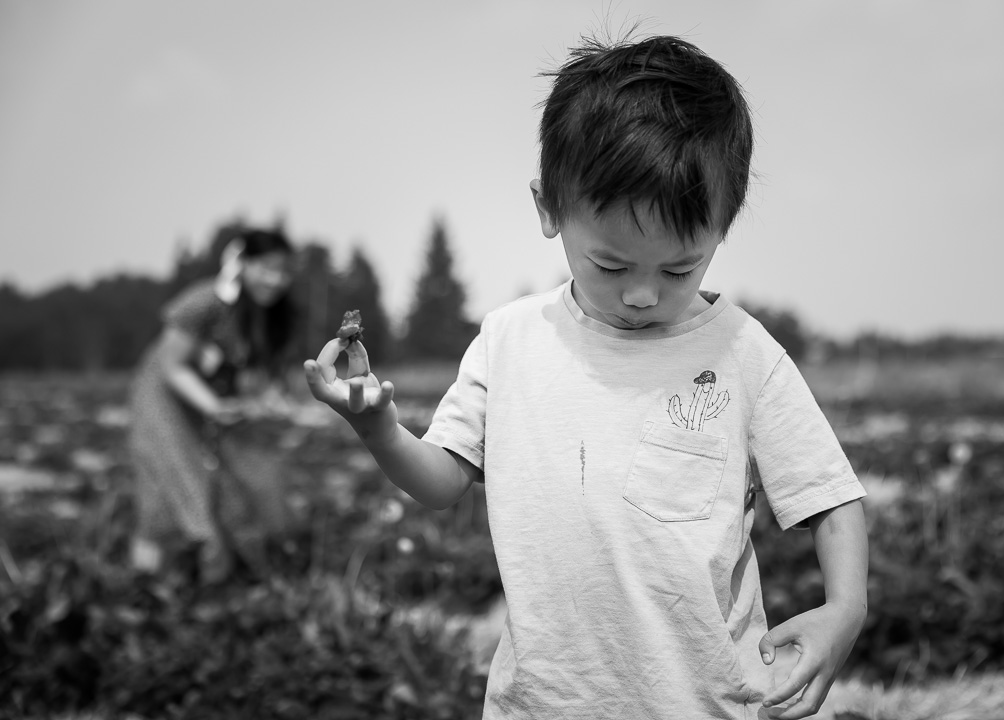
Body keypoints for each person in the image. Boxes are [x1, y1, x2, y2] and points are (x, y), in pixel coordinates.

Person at [305, 34, 868, 720]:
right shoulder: (511, 341)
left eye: (678, 269)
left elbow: (830, 498)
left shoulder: (744, 352)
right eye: (611, 265)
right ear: (549, 209)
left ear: (723, 228)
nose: (641, 295)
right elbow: (442, 480)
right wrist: (377, 427)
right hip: (544, 704)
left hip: (709, 703)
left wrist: (845, 609)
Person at [129, 225, 296, 584]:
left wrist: (266, 402)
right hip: (164, 398)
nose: (275, 279)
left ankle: (190, 576)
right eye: (266, 267)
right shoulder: (205, 302)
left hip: (207, 403)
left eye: (283, 271)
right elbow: (170, 365)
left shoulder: (265, 317)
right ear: (243, 264)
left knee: (218, 488)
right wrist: (213, 406)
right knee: (176, 483)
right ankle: (154, 583)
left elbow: (256, 377)